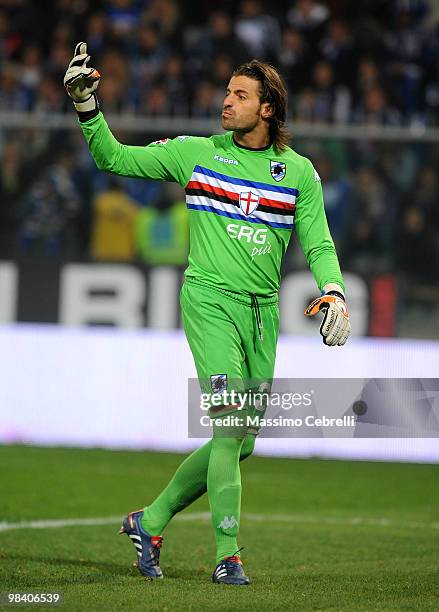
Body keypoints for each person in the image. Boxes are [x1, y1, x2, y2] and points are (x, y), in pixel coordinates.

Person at [64, 42, 350, 585]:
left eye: (240, 96)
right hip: (209, 301)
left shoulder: (298, 174)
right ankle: (227, 555)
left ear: (268, 109)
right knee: (229, 426)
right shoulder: (196, 153)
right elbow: (114, 158)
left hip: (261, 316)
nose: (226, 102)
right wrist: (87, 110)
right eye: (226, 92)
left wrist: (333, 289)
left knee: (242, 442)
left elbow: (318, 244)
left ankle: (147, 522)